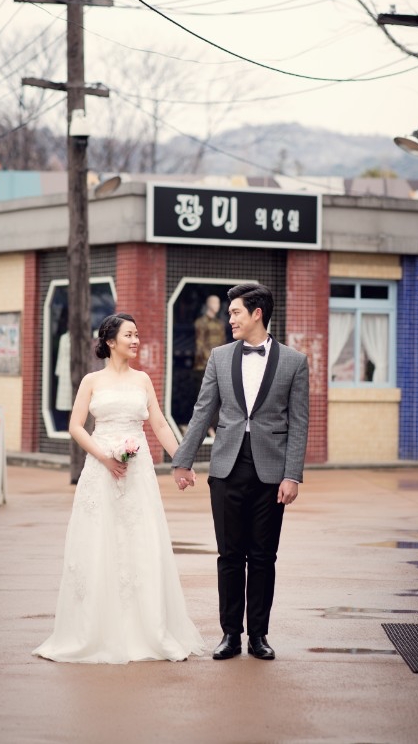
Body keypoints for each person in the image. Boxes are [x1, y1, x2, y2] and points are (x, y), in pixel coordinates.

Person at [34, 313, 206, 663]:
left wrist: (181, 461)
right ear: (110, 341)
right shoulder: (91, 381)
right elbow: (76, 426)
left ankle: (146, 629)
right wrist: (105, 458)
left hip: (137, 471)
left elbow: (158, 424)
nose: (135, 340)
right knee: (100, 542)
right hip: (101, 471)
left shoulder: (143, 379)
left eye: (137, 334)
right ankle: (96, 630)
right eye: (129, 334)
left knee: (139, 540)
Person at [172, 283, 309, 661]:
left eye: (234, 312)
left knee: (264, 557)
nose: (228, 318)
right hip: (226, 468)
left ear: (256, 314)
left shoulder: (294, 362)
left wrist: (292, 474)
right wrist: (183, 460)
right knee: (230, 555)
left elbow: (299, 423)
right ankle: (230, 634)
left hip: (271, 472)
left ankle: (259, 636)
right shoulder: (219, 357)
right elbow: (203, 411)